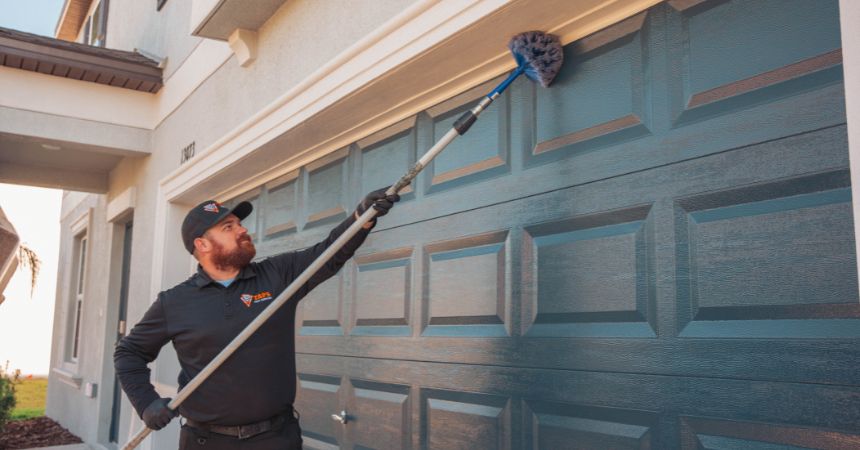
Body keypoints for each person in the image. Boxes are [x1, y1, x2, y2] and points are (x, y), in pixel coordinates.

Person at [114, 188, 399, 449]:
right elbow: (129, 353)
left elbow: (329, 253)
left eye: (239, 224)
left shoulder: (277, 275)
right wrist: (146, 402)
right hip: (206, 441)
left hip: (275, 438)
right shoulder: (174, 302)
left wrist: (362, 218)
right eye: (228, 227)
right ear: (202, 244)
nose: (242, 230)